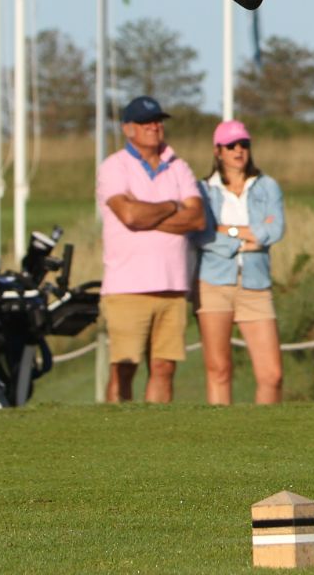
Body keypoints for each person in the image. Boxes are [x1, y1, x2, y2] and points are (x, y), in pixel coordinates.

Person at [95, 95, 205, 404]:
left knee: (164, 367)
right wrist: (172, 206)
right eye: (146, 122)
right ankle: (115, 426)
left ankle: (156, 428)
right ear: (128, 128)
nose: (154, 127)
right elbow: (129, 215)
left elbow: (196, 219)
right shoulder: (114, 166)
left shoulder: (178, 166)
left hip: (172, 285)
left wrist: (148, 217)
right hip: (127, 287)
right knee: (124, 367)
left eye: (158, 121)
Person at [192, 119, 286, 405]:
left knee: (272, 375)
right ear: (218, 151)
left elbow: (274, 230)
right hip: (213, 283)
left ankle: (266, 428)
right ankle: (221, 428)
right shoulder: (203, 189)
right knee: (219, 369)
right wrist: (243, 239)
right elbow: (202, 234)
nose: (238, 150)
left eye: (243, 144)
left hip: (256, 284)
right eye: (230, 145)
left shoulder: (267, 186)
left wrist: (227, 230)